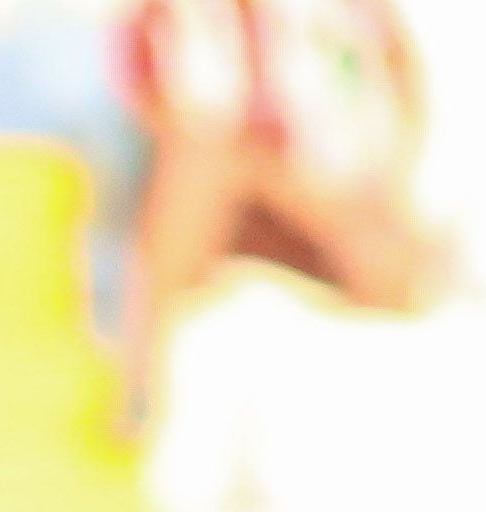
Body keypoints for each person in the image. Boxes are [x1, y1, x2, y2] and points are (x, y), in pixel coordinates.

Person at [113, 0, 448, 435]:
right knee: (194, 175)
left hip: (323, 178)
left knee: (390, 271)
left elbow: (398, 72)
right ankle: (142, 391)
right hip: (216, 172)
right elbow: (144, 94)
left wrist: (380, 175)